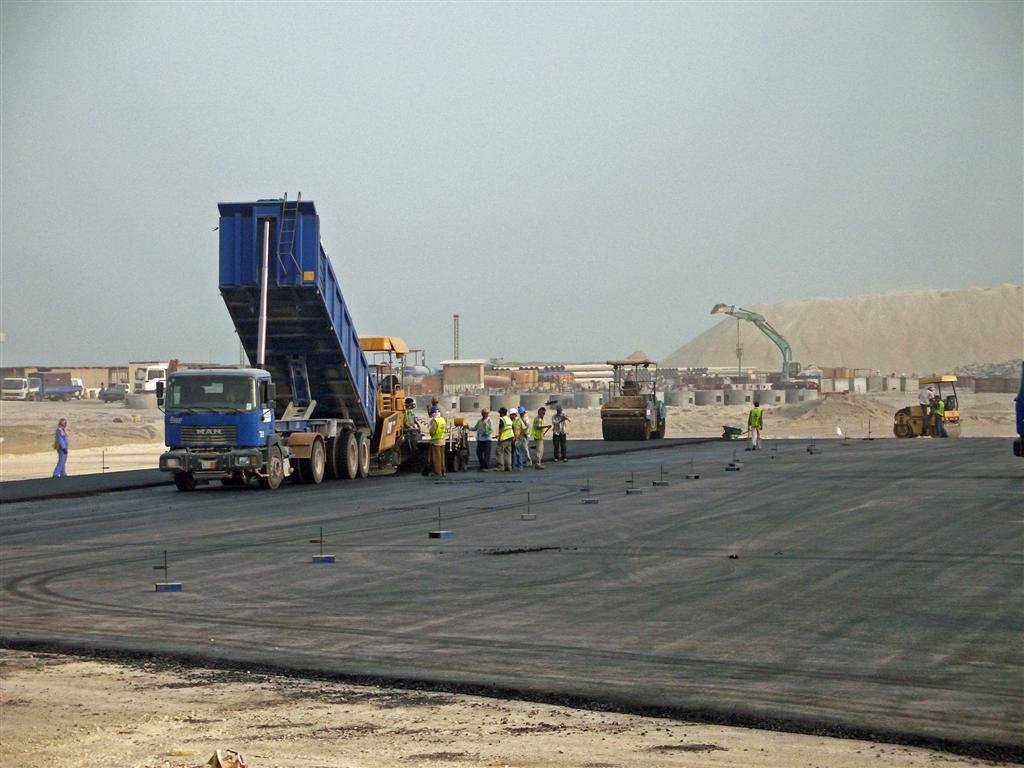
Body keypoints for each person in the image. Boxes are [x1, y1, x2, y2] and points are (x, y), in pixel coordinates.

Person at [427, 406, 446, 478]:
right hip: (442, 440)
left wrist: (430, 432)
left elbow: (432, 431)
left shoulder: (435, 420)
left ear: (433, 412)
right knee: (442, 458)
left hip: (436, 441)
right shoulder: (442, 419)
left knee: (436, 458)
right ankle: (443, 471)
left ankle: (437, 472)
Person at [496, 407, 514, 471]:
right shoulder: (509, 419)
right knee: (508, 453)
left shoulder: (502, 419)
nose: (499, 414)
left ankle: (501, 467)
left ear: (502, 413)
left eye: (500, 413)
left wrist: (499, 437)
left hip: (504, 437)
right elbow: (512, 427)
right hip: (510, 437)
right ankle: (509, 467)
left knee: (499, 452)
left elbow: (501, 428)